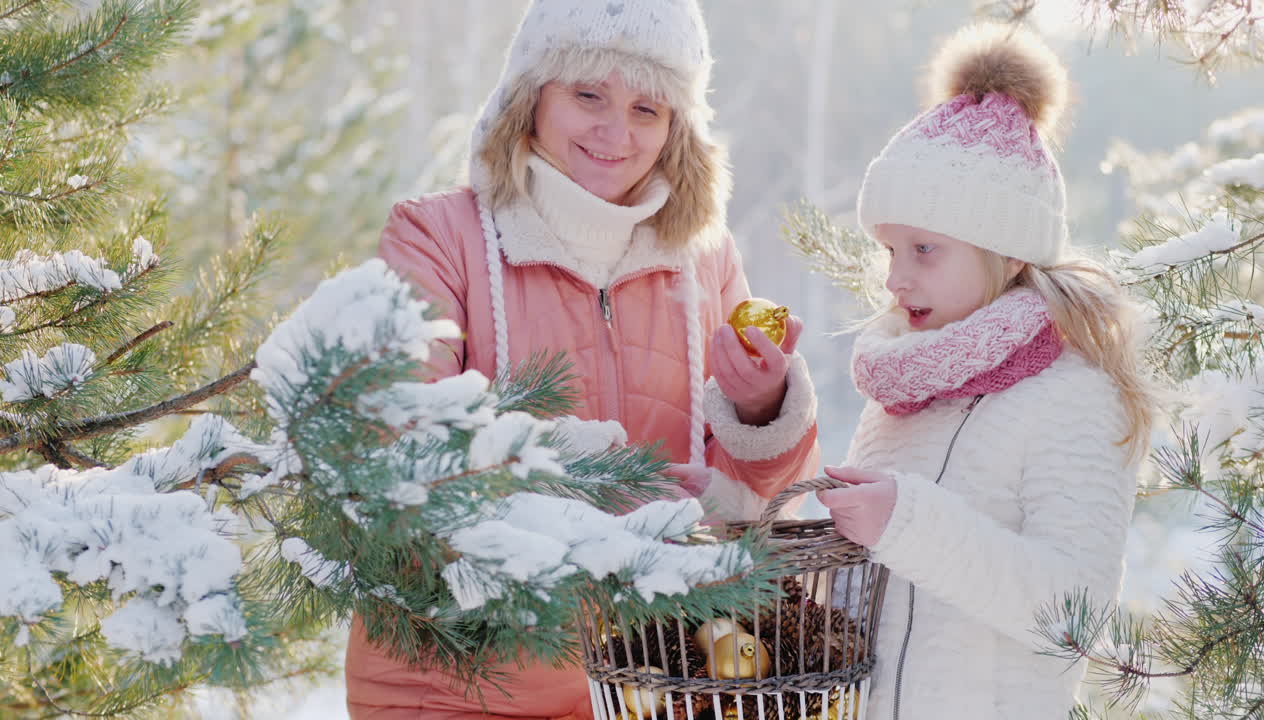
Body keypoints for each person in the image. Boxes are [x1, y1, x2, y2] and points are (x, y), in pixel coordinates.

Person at [345, 1, 821, 718]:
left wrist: (760, 408)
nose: (615, 132)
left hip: (652, 683)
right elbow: (401, 448)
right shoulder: (436, 238)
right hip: (454, 687)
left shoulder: (705, 260)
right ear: (530, 96)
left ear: (676, 127)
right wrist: (630, 517)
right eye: (588, 94)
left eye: (646, 108)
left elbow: (757, 512)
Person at [815, 23, 1160, 720]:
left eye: (923, 249)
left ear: (1007, 252)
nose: (895, 278)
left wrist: (906, 522)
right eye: (889, 250)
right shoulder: (906, 389)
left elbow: (1074, 614)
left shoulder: (1076, 395)